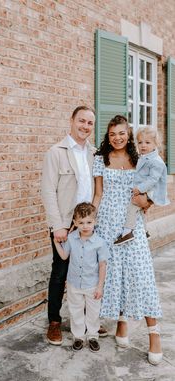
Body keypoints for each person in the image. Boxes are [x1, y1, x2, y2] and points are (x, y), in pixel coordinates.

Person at [92, 115, 163, 365]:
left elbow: (155, 186)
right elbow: (98, 194)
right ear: (107, 136)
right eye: (112, 134)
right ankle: (121, 322)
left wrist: (148, 202)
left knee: (140, 275)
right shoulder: (100, 159)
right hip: (107, 226)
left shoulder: (141, 159)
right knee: (115, 275)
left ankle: (154, 335)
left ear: (128, 134)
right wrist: (90, 223)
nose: (117, 138)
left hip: (132, 226)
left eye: (121, 133)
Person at [41, 106, 107, 345]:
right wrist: (57, 225)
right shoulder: (56, 152)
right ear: (71, 120)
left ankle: (90, 323)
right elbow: (48, 191)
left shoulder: (94, 153)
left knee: (89, 270)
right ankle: (55, 323)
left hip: (87, 222)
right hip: (66, 224)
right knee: (60, 272)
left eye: (90, 123)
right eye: (82, 121)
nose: (85, 126)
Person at [54, 202, 108, 352]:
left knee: (93, 312)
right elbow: (64, 256)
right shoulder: (71, 238)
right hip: (74, 283)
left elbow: (103, 265)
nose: (85, 226)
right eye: (81, 222)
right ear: (75, 223)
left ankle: (92, 336)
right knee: (75, 310)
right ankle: (78, 337)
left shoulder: (99, 242)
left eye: (89, 222)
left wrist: (100, 286)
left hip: (92, 284)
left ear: (95, 221)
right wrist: (56, 243)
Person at [114, 126, 170, 245]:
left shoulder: (156, 161)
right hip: (147, 189)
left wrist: (139, 189)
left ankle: (127, 231)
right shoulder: (145, 157)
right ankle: (145, 230)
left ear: (156, 144)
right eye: (140, 142)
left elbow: (153, 179)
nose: (143, 145)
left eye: (147, 142)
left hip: (153, 191)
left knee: (133, 205)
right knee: (141, 210)